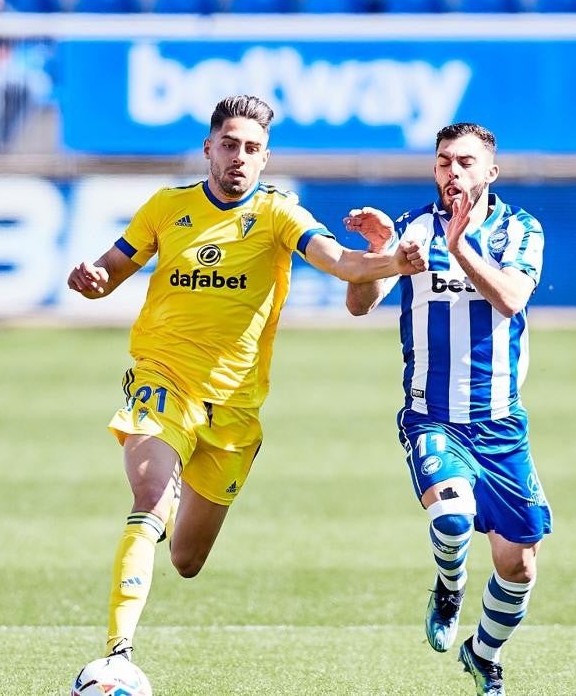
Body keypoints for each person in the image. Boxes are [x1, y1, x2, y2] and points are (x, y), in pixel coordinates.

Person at [66, 94, 426, 664]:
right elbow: (110, 270)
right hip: (163, 380)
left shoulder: (281, 214)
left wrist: (390, 261)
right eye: (229, 145)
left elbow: (342, 264)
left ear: (265, 158)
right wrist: (89, 278)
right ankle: (116, 656)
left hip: (234, 407)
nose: (238, 156)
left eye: (251, 148)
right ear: (208, 148)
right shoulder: (166, 206)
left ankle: (179, 479)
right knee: (151, 499)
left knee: (185, 559)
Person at [343, 122, 549, 696]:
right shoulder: (411, 229)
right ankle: (449, 585)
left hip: (501, 423)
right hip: (431, 415)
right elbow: (359, 304)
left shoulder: (521, 231)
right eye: (442, 162)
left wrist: (458, 247)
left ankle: (483, 653)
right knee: (452, 519)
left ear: (490, 172)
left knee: (518, 567)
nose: (451, 173)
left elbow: (510, 299)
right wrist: (380, 255)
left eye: (463, 162)